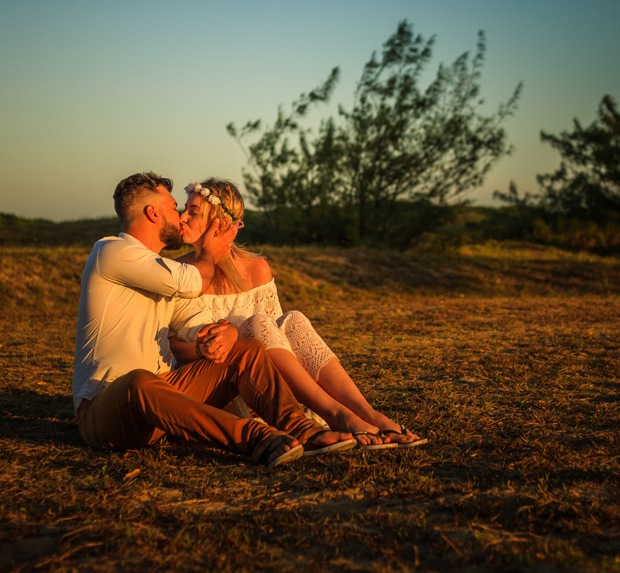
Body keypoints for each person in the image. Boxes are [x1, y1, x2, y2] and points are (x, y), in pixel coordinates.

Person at [72, 172, 355, 469]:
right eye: (173, 208)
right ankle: (254, 437)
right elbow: (193, 282)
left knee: (247, 350)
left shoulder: (162, 271)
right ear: (152, 213)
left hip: (162, 403)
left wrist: (228, 335)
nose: (180, 216)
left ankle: (304, 431)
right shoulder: (110, 252)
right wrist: (210, 254)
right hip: (105, 410)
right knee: (139, 381)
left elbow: (196, 321)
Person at [170, 177, 427, 449]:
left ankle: (368, 414)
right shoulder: (181, 273)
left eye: (193, 212)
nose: (182, 217)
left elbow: (279, 343)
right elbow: (176, 350)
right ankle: (336, 415)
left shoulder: (256, 268)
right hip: (215, 381)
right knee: (257, 323)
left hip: (262, 382)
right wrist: (210, 347)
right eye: (185, 209)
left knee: (293, 320)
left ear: (219, 224)